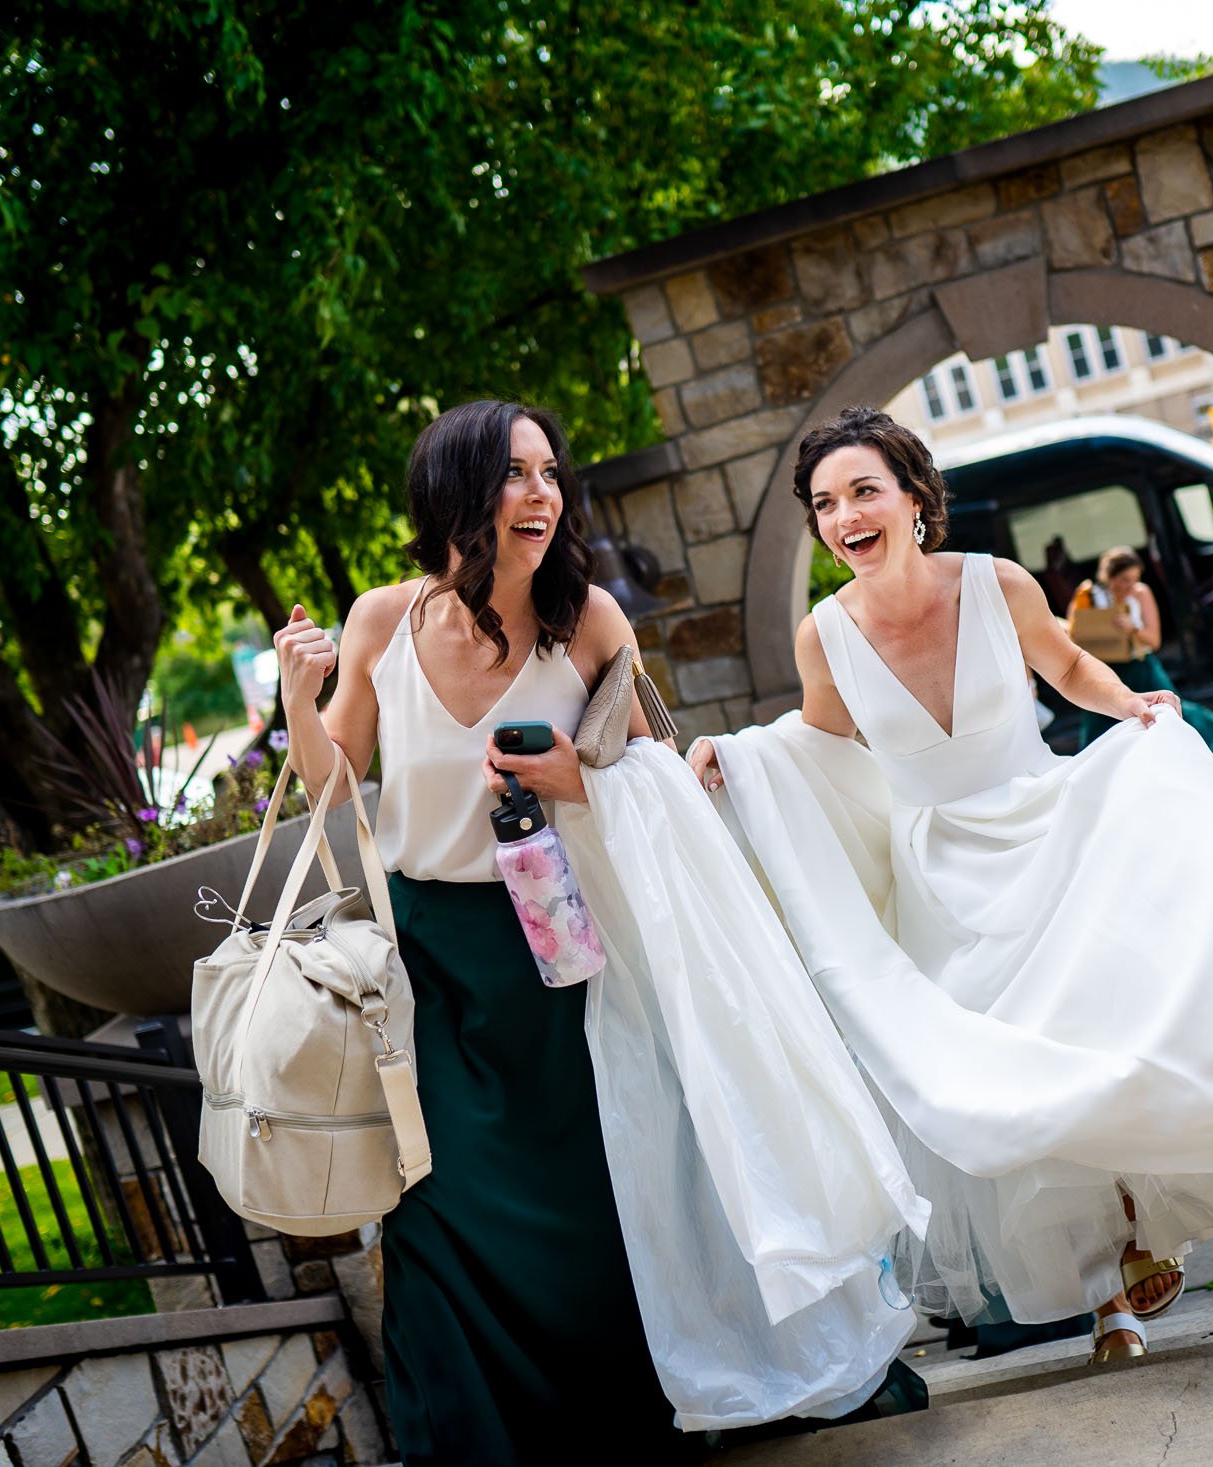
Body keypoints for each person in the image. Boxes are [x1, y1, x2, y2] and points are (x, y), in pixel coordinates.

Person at [688, 406, 1213, 1366]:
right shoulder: (824, 637)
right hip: (940, 882)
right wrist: (740, 760)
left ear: (914, 500)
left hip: (1044, 833)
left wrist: (1133, 705)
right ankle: (1107, 1290)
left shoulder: (997, 584)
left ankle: (1140, 1238)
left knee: (1099, 1032)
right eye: (825, 504)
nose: (845, 514)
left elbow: (1065, 665)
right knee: (1017, 1083)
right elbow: (817, 740)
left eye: (863, 490)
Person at [275, 400, 924, 1464]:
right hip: (435, 960)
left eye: (547, 474)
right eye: (513, 475)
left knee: (594, 1197)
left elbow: (657, 776)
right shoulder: (380, 622)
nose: (541, 495)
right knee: (438, 1212)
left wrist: (572, 775)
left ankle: (631, 1411)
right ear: (453, 494)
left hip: (570, 953)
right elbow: (331, 787)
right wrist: (303, 699)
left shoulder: (590, 621)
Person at [1070, 545, 1213, 776]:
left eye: (1134, 579)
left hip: (1141, 668)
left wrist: (1132, 628)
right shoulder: (1088, 595)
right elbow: (1075, 633)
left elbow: (1153, 640)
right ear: (1108, 577)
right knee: (1099, 733)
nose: (1129, 586)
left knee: (1168, 717)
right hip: (1106, 672)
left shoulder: (1141, 594)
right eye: (1123, 580)